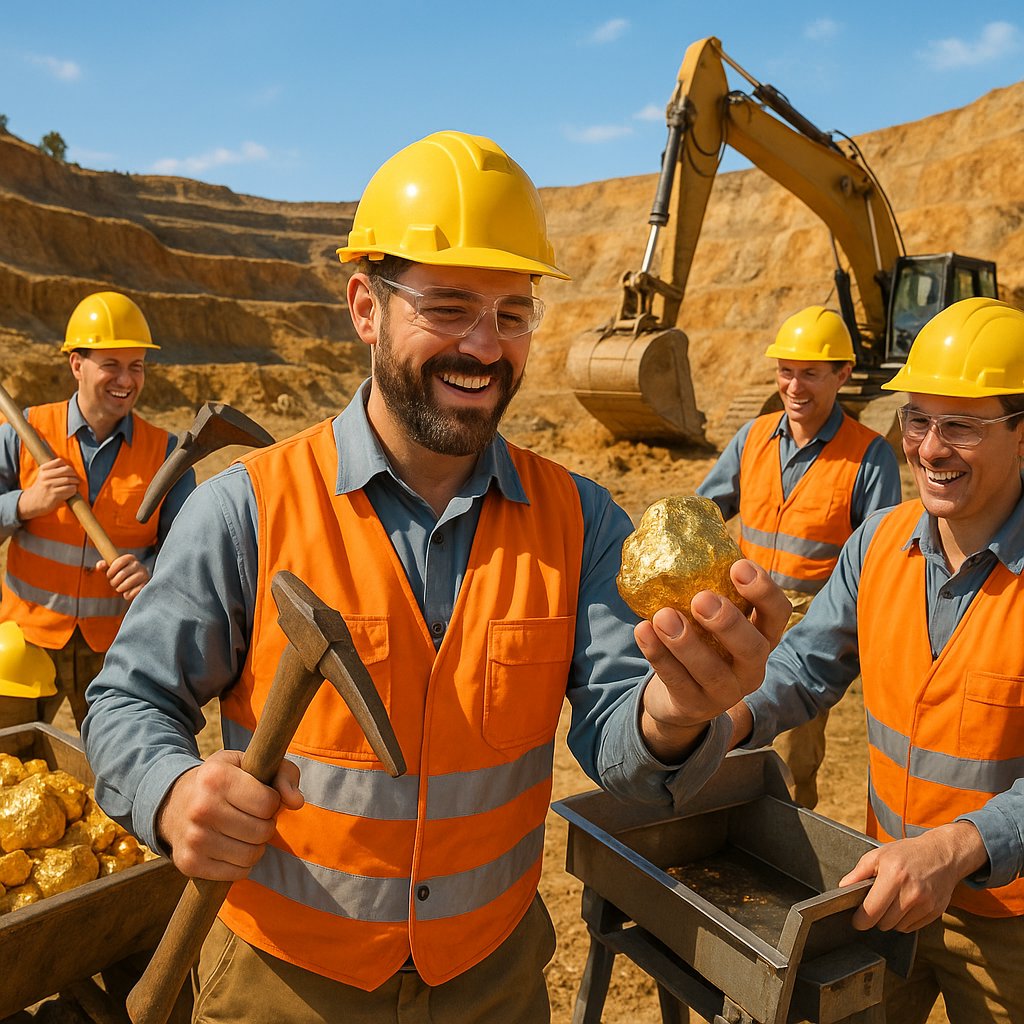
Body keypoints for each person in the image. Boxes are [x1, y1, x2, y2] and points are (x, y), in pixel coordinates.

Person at [82, 130, 790, 1024]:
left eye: (513, 314)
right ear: (365, 308)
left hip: (489, 981)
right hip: (285, 983)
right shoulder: (246, 511)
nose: (484, 347)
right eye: (449, 307)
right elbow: (128, 700)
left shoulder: (580, 522)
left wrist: (678, 714)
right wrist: (171, 790)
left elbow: (623, 745)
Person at [715, 297, 1024, 1023]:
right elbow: (804, 668)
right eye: (917, 420)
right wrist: (725, 723)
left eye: (962, 426)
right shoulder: (880, 543)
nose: (930, 449)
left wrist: (961, 846)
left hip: (1010, 922)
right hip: (885, 886)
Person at [697, 305, 901, 807]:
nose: (794, 386)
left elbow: (882, 562)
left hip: (809, 638)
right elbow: (702, 514)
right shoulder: (752, 438)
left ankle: (791, 831)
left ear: (843, 374)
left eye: (810, 373)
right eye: (785, 371)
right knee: (722, 740)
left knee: (792, 763)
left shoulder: (869, 456)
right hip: (737, 625)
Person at [0, 291, 196, 729]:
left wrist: (151, 573)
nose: (125, 379)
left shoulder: (167, 455)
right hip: (27, 640)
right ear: (77, 364)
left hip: (116, 646)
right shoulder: (24, 433)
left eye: (136, 366)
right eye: (111, 364)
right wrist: (25, 503)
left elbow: (188, 554)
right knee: (11, 755)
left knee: (114, 761)